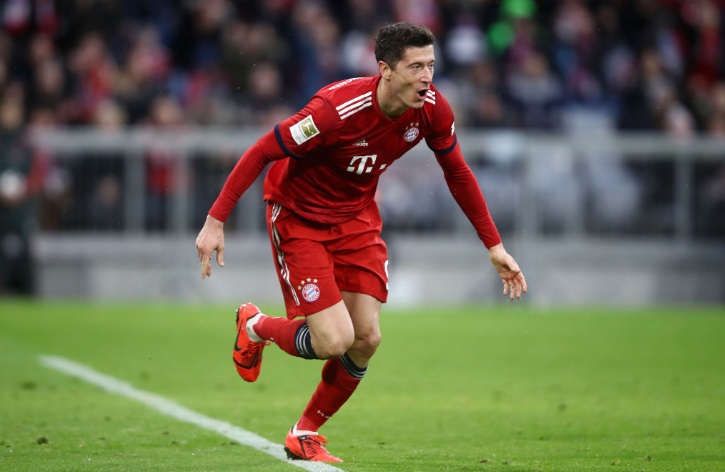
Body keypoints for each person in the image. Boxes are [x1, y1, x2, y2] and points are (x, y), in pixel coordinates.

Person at [195, 22, 527, 463]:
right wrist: (215, 220)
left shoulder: (431, 109)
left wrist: (494, 245)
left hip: (356, 219)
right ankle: (255, 325)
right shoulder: (335, 111)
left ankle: (304, 431)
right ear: (385, 69)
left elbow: (458, 173)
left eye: (431, 65)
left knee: (366, 338)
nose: (427, 77)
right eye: (415, 67)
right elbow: (262, 151)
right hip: (299, 217)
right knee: (333, 341)